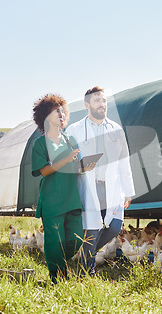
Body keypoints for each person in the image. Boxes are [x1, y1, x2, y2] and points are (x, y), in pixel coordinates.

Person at [66, 86, 135, 276]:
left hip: (111, 186)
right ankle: (88, 271)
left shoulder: (116, 129)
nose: (102, 104)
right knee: (92, 228)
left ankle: (85, 256)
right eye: (97, 101)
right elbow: (67, 160)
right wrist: (79, 167)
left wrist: (128, 191)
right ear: (87, 105)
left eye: (104, 101)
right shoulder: (75, 130)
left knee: (114, 227)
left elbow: (124, 161)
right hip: (88, 186)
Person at [31, 94, 93, 282]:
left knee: (75, 240)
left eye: (62, 111)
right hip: (52, 200)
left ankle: (57, 263)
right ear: (45, 116)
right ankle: (58, 279)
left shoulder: (70, 140)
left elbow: (75, 167)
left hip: (72, 198)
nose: (61, 114)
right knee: (54, 243)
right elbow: (44, 171)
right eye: (55, 111)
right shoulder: (40, 143)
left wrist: (84, 167)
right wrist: (66, 159)